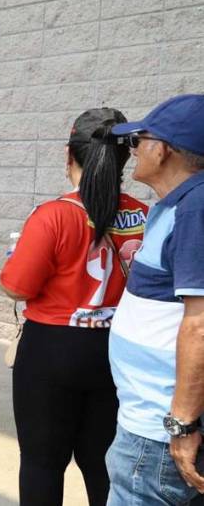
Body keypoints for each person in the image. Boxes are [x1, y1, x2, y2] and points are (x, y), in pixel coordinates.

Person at [0, 108, 147, 506]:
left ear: (69, 155)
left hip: (51, 350)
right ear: (125, 158)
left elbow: (15, 286)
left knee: (43, 464)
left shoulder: (53, 216)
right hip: (117, 350)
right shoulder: (145, 216)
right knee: (104, 465)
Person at [106, 95, 204, 505]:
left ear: (161, 149)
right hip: (150, 424)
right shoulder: (176, 205)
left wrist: (181, 426)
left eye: (137, 141)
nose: (133, 153)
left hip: (158, 435)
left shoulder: (196, 207)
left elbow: (200, 324)